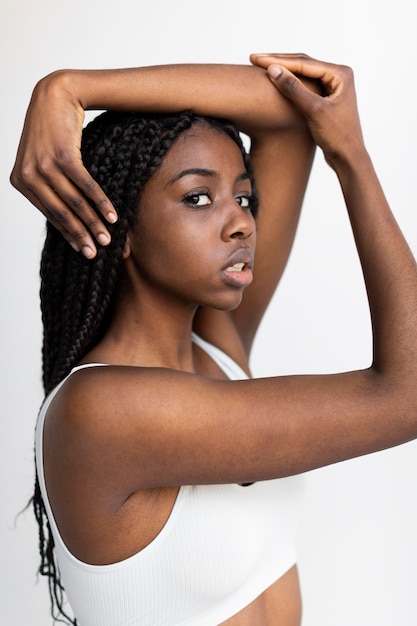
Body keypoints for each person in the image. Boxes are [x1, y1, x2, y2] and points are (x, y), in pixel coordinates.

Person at [10, 53, 417, 626]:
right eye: (198, 198)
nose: (242, 223)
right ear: (118, 228)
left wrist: (72, 88)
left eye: (243, 197)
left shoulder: (218, 347)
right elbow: (408, 395)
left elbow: (291, 105)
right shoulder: (100, 412)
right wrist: (349, 155)